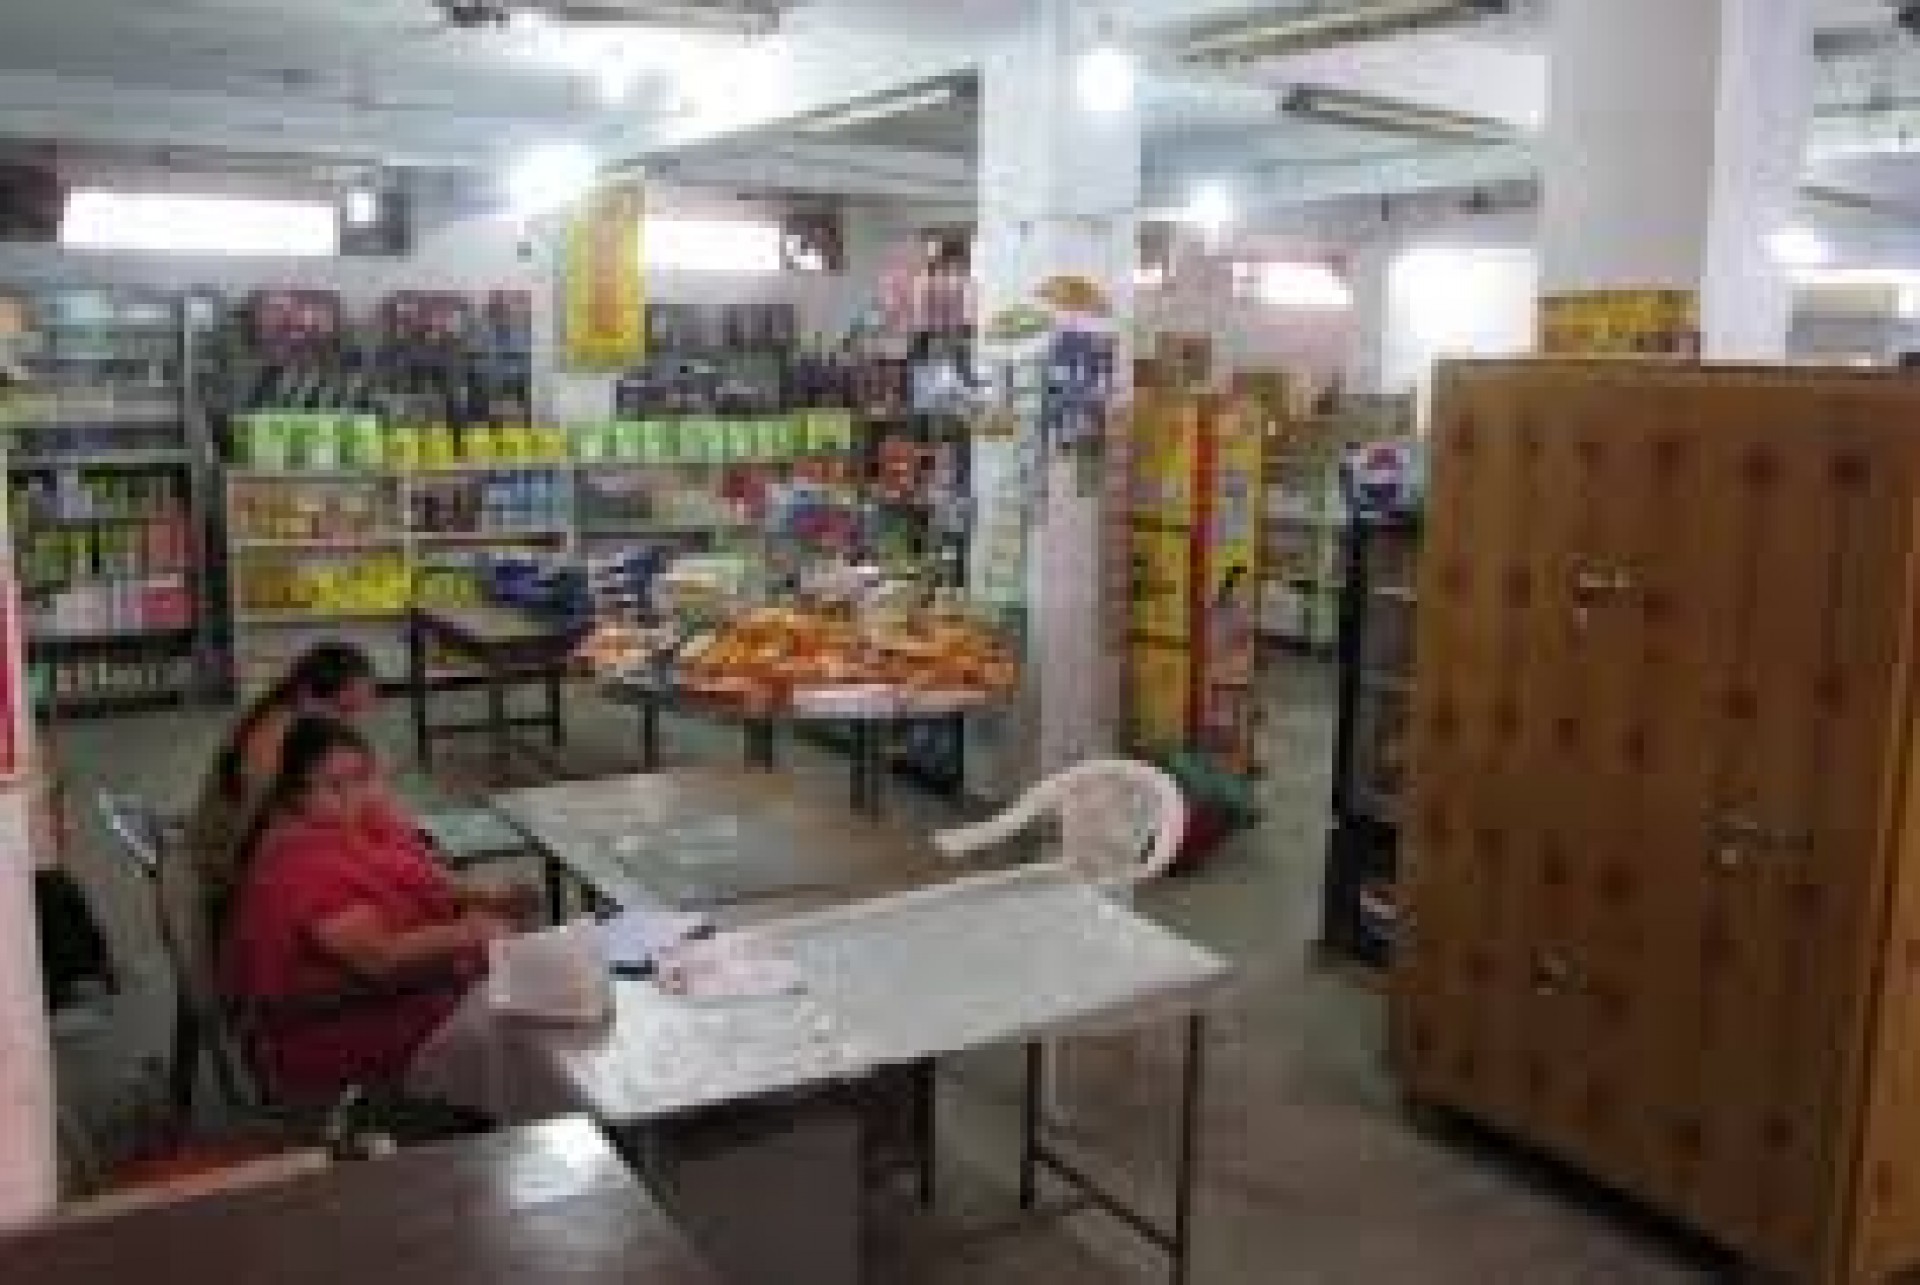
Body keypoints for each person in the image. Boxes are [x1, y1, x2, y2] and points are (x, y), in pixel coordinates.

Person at [219, 716, 535, 1103]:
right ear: (294, 793)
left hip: (400, 993)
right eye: (335, 786)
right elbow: (378, 958)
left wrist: (485, 896)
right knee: (528, 1035)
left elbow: (419, 874)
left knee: (531, 996)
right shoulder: (302, 866)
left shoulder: (344, 825)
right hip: (345, 1027)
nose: (354, 795)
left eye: (361, 779)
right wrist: (469, 932)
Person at [184, 642, 380, 927]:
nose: (352, 724)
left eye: (360, 710)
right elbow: (262, 847)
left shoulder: (285, 709)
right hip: (231, 880)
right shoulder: (275, 748)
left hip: (239, 852)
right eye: (345, 711)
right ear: (307, 695)